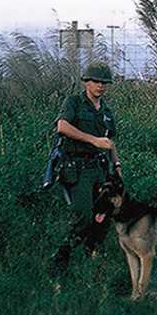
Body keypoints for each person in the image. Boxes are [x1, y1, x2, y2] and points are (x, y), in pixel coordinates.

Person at [52, 61, 121, 272]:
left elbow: (109, 142)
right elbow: (62, 127)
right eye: (96, 81)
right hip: (77, 168)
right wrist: (93, 140)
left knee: (104, 215)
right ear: (87, 82)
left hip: (99, 168)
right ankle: (61, 259)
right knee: (83, 215)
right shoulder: (73, 102)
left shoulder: (106, 112)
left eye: (104, 82)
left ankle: (92, 255)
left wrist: (116, 165)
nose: (100, 86)